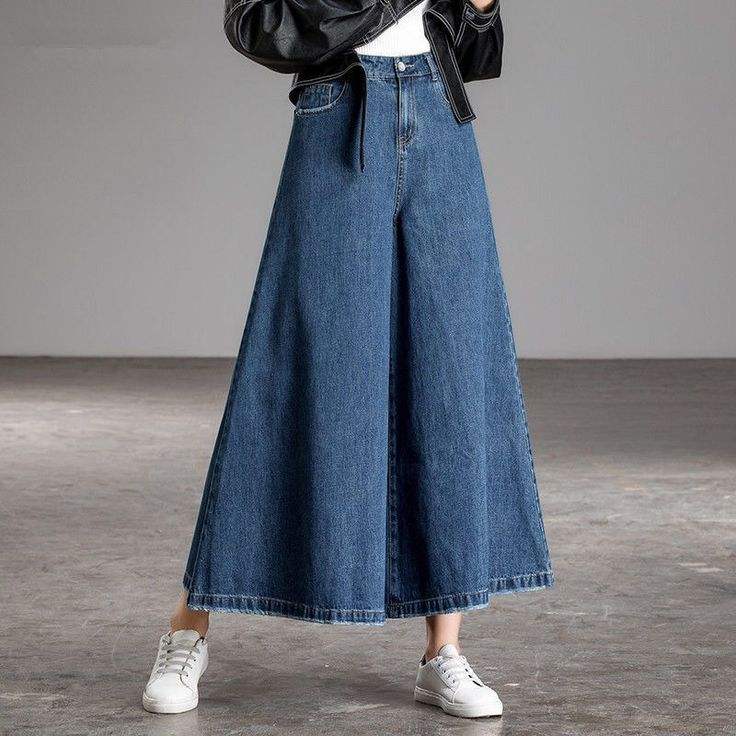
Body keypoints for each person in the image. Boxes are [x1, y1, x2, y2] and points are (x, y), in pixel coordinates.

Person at [142, 0, 553, 719]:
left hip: (440, 116)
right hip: (338, 111)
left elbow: (474, 55)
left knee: (451, 369)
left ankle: (444, 652)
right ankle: (187, 629)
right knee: (291, 366)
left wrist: (482, 6)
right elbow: (255, 24)